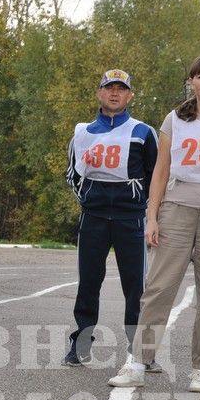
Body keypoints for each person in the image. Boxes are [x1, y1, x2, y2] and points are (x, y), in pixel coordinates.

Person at [109, 53, 200, 392]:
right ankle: (136, 363)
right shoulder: (175, 120)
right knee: (159, 289)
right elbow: (160, 172)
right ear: (191, 81)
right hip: (177, 210)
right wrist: (152, 216)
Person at [64, 69, 159, 367]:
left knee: (136, 286)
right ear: (99, 92)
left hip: (132, 220)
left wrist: (146, 209)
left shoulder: (143, 132)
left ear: (130, 95)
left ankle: (140, 352)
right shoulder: (82, 132)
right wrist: (90, 200)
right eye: (109, 88)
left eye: (121, 88)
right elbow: (73, 174)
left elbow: (157, 176)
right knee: (88, 282)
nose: (114, 93)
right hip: (93, 218)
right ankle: (81, 344)